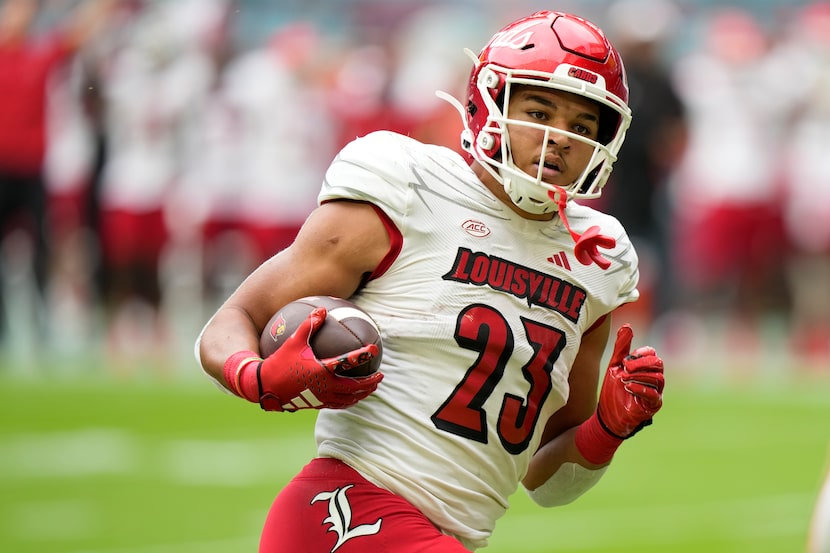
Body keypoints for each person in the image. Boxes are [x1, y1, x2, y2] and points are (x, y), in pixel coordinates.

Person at [196, 10, 665, 552]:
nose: (558, 139)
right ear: (491, 105)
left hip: (446, 536)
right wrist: (252, 373)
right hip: (349, 513)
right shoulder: (410, 188)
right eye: (539, 111)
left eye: (581, 127)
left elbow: (547, 482)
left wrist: (605, 430)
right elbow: (231, 322)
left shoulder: (599, 258)